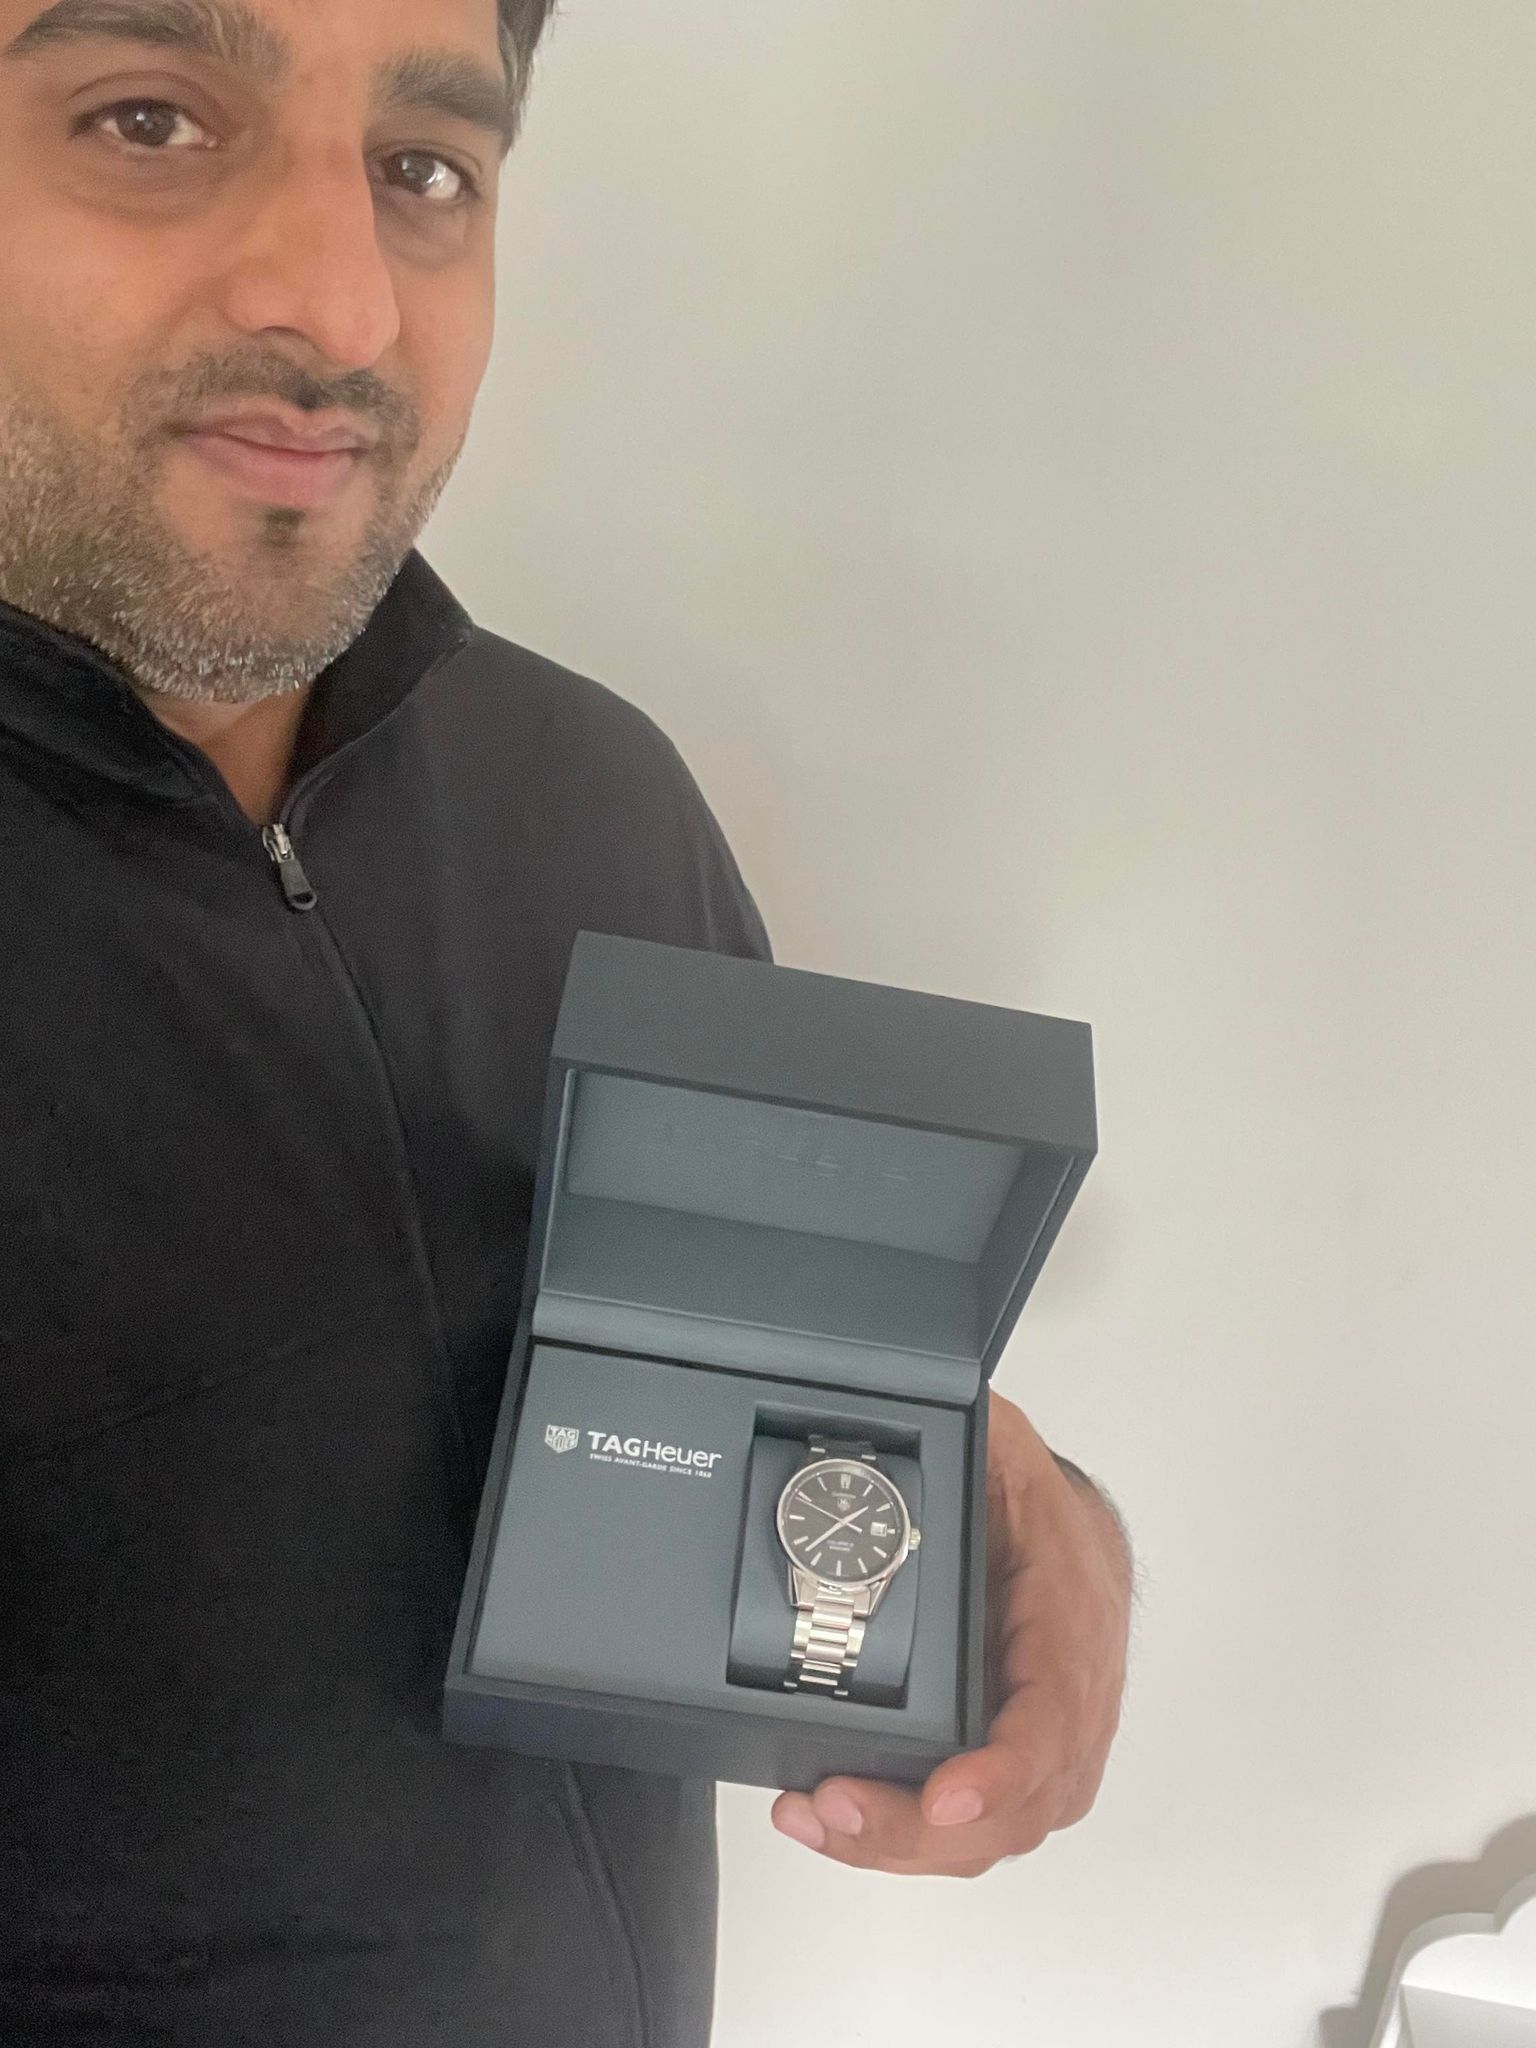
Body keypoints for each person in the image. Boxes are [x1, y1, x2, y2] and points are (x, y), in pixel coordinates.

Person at [0, 0, 1137, 2041]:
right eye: (147, 118)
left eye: (424, 166)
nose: (342, 301)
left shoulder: (593, 794)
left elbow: (761, 1388)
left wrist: (1036, 1538)